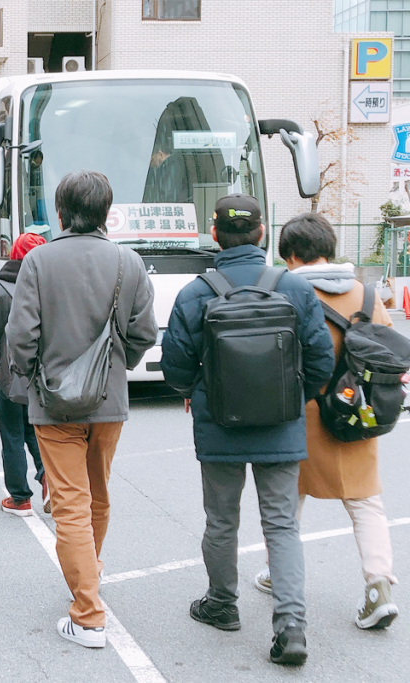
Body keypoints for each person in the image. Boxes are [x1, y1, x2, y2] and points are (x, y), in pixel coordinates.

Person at [160, 195, 335, 666]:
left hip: (219, 425)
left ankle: (221, 604)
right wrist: (291, 401)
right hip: (281, 425)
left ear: (214, 234)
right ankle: (291, 626)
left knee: (222, 521)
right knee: (281, 525)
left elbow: (174, 369)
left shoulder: (196, 292)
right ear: (262, 233)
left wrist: (200, 390)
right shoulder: (294, 289)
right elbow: (321, 361)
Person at [6, 171, 157, 649]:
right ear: (106, 211)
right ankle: (90, 572)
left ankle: (88, 613)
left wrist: (31, 374)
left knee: (69, 502)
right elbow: (144, 333)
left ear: (60, 211)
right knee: (98, 494)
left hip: (53, 403)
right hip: (108, 399)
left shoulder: (39, 262)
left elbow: (21, 336)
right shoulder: (128, 262)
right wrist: (117, 364)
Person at [250, 213, 398, 630]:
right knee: (366, 504)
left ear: (292, 256)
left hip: (302, 414)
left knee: (285, 500)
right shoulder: (367, 295)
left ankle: (277, 569)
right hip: (354, 414)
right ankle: (378, 587)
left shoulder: (287, 292)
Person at [0, 232, 48, 516]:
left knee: (13, 435)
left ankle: (20, 498)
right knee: (38, 429)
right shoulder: (50, 285)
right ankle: (47, 475)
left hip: (6, 374)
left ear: (12, 254)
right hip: (44, 374)